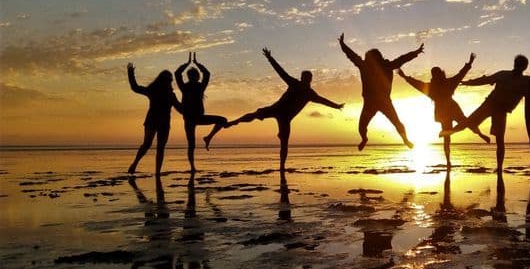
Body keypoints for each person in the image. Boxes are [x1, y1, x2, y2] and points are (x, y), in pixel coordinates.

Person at [209, 48, 343, 172]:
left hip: (285, 118)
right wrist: (270, 58)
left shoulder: (310, 93)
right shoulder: (294, 83)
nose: (307, 81)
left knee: (284, 142)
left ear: (310, 80)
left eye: (308, 79)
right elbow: (281, 72)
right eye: (305, 79)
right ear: (302, 78)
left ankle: (282, 168)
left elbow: (323, 101)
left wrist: (336, 106)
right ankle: (233, 122)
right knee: (255, 115)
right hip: (276, 109)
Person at [398, 53, 489, 167]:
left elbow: (460, 75)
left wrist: (469, 63)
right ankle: (448, 161)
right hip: (449, 110)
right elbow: (416, 84)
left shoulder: (438, 85)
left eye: (435, 74)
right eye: (434, 75)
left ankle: (477, 136)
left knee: (457, 129)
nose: (435, 76)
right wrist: (405, 77)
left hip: (448, 110)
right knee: (458, 129)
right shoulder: (438, 85)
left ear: (438, 74)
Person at [442, 55, 530, 172]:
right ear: (514, 64)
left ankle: (499, 168)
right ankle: (448, 131)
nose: (517, 67)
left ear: (524, 67)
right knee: (469, 121)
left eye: (520, 65)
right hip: (489, 104)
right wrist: (468, 83)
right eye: (516, 64)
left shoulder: (526, 81)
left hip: (501, 110)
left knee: (500, 139)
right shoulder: (503, 74)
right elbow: (485, 80)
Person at [338, 33, 423, 150]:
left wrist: (416, 53)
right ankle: (364, 138)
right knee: (362, 126)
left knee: (397, 123)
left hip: (385, 102)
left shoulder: (386, 65)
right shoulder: (364, 66)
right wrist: (343, 45)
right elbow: (352, 56)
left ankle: (406, 140)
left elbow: (402, 59)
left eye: (368, 58)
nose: (365, 60)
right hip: (370, 103)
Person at [174, 53, 229, 172]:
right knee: (191, 144)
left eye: (195, 75)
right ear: (190, 76)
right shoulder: (185, 87)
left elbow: (206, 74)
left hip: (199, 117)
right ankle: (192, 167)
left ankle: (208, 137)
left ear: (197, 77)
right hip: (189, 119)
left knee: (223, 120)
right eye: (193, 75)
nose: (195, 77)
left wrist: (196, 64)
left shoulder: (199, 87)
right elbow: (177, 74)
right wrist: (189, 64)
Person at [126, 63, 182, 175]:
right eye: (168, 80)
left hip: (164, 124)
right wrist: (130, 73)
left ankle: (157, 173)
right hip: (153, 121)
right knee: (147, 144)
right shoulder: (153, 91)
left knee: (160, 148)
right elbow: (135, 88)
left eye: (170, 80)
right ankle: (134, 164)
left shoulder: (171, 95)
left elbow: (180, 109)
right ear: (162, 80)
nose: (169, 82)